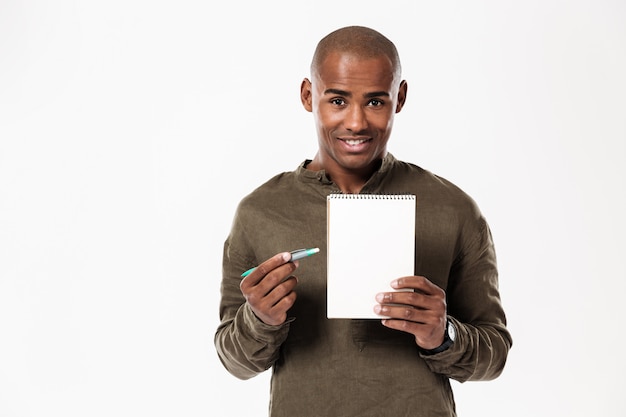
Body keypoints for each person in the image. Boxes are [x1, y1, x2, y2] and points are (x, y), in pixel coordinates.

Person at [214, 25, 512, 416]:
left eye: (375, 102)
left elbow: (495, 354)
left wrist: (444, 334)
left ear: (399, 98)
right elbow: (234, 361)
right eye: (337, 101)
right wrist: (260, 319)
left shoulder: (452, 209)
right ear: (308, 96)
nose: (356, 123)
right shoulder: (260, 211)